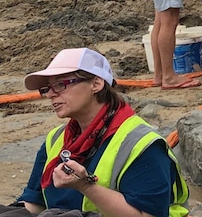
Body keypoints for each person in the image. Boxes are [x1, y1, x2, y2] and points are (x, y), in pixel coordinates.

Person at [15, 48, 189, 216]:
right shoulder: (56, 139)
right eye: (47, 88)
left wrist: (86, 186)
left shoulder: (142, 145)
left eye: (60, 85)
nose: (50, 95)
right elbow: (35, 202)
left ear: (96, 84)